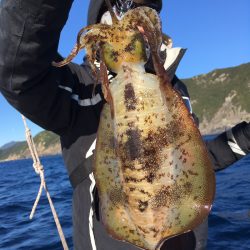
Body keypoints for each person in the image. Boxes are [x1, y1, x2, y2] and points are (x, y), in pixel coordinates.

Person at [0, 0, 249, 249]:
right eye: (122, 6)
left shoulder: (173, 88)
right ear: (100, 24)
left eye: (144, 11)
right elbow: (18, 73)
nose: (135, 22)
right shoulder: (80, 88)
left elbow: (189, 163)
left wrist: (246, 137)